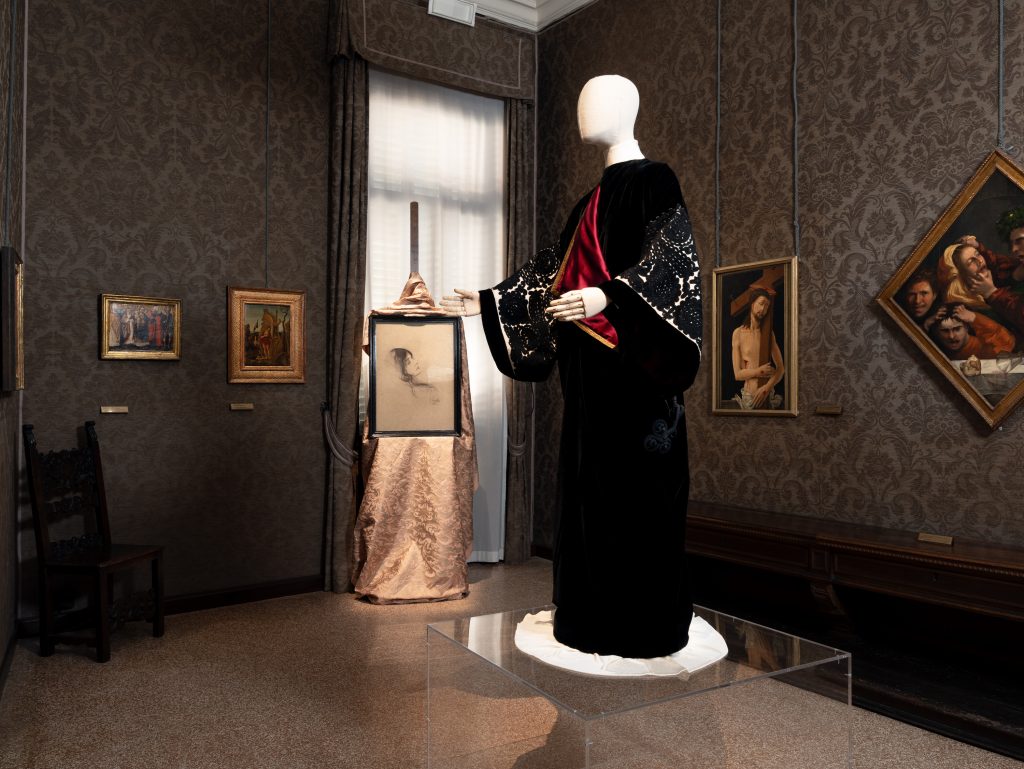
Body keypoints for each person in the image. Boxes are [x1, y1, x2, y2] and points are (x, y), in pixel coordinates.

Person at [442, 75, 702, 659]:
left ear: (629, 108)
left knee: (638, 499)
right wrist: (490, 301)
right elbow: (550, 272)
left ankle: (643, 625)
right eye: (582, 98)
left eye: (598, 99)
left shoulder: (655, 180)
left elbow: (671, 265)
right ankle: (587, 616)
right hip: (588, 381)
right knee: (588, 497)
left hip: (635, 377)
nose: (585, 109)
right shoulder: (588, 202)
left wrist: (608, 295)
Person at [731, 288, 784, 409]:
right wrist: (759, 371)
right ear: (752, 303)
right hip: (748, 396)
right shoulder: (738, 333)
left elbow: (781, 369)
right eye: (761, 303)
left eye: (767, 306)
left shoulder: (768, 334)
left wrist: (766, 388)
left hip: (767, 396)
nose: (763, 309)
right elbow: (738, 374)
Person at [929, 303, 1015, 360]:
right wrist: (926, 325)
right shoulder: (936, 348)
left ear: (967, 327)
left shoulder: (983, 347)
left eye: (957, 329)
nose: (951, 336)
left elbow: (1007, 343)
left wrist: (974, 317)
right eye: (945, 331)